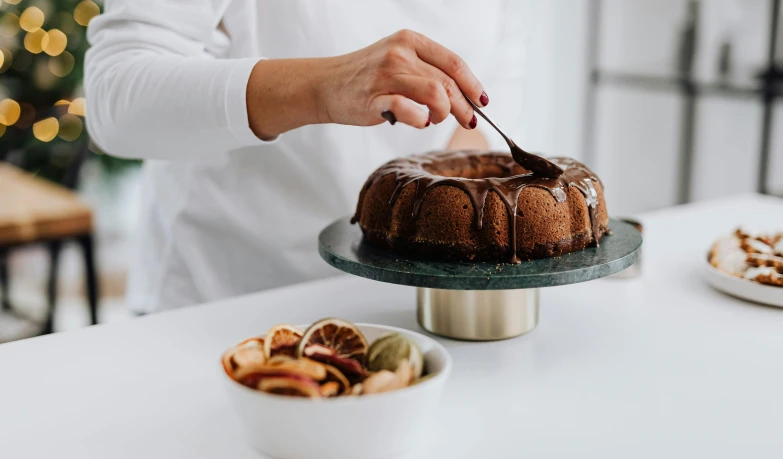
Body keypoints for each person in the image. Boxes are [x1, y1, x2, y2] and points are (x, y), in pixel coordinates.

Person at [85, 0, 524, 314]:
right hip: (221, 303)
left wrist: (465, 162)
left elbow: (495, 76)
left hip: (404, 311)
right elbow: (115, 99)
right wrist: (326, 88)